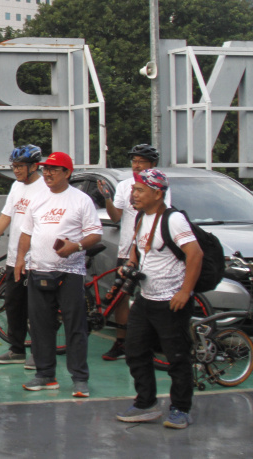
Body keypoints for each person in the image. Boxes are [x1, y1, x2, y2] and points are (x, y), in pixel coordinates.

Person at [116, 169, 203, 430]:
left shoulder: (173, 220)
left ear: (158, 193)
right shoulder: (142, 217)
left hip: (171, 300)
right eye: (134, 190)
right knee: (134, 350)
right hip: (146, 298)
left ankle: (181, 408)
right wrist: (131, 262)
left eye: (140, 190)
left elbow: (195, 255)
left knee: (177, 357)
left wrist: (185, 291)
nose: (134, 194)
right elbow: (139, 247)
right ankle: (146, 403)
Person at [15, 152, 102, 398]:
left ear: (67, 173)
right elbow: (26, 233)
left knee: (75, 326)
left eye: (54, 169)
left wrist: (76, 246)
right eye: (45, 169)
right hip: (38, 270)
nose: (48, 174)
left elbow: (95, 234)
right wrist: (21, 260)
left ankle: (79, 378)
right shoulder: (38, 199)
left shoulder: (81, 200)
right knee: (41, 326)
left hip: (69, 273)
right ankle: (45, 374)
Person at [96, 144, 169, 361]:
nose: (136, 166)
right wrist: (107, 198)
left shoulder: (160, 185)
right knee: (120, 297)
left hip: (150, 252)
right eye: (134, 161)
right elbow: (116, 217)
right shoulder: (125, 185)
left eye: (141, 162)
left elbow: (159, 215)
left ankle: (155, 342)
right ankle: (121, 342)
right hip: (127, 251)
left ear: (152, 165)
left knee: (153, 296)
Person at [0, 145, 46, 367]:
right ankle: (17, 349)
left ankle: (39, 352)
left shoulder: (46, 188)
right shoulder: (16, 187)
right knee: (14, 305)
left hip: (37, 259)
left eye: (20, 167)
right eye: (13, 166)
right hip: (15, 257)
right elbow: (6, 217)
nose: (15, 171)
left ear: (34, 166)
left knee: (36, 309)